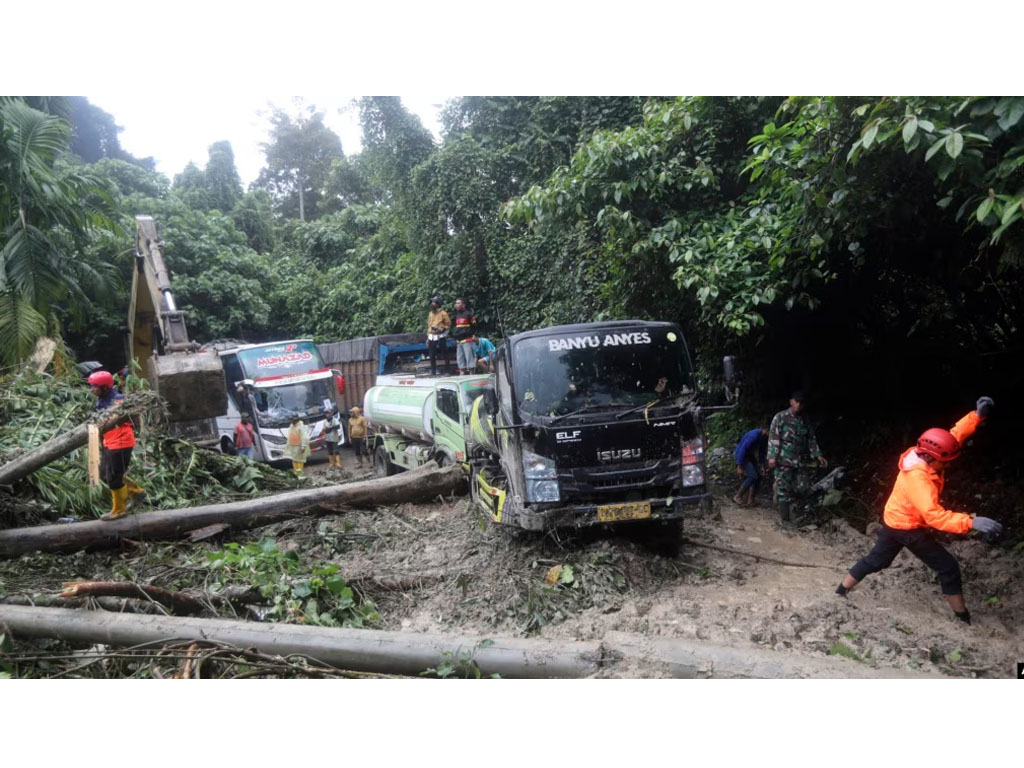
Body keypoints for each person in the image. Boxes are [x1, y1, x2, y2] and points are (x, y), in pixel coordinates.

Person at [836, 397, 1002, 626]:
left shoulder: (926, 453)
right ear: (930, 458)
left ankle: (839, 592)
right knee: (948, 567)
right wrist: (971, 522)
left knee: (877, 561)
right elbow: (934, 515)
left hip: (894, 518)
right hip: (907, 527)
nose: (948, 466)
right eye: (945, 463)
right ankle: (964, 620)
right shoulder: (918, 479)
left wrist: (976, 416)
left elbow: (953, 437)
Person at [88, 370, 145, 521]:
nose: (91, 390)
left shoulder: (118, 401)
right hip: (109, 442)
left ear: (105, 387)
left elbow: (131, 418)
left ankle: (119, 510)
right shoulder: (101, 400)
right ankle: (135, 491)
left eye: (94, 387)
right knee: (105, 474)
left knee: (114, 477)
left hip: (121, 442)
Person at [767, 391, 827, 525]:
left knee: (802, 487)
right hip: (783, 460)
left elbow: (810, 438)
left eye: (802, 402)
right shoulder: (780, 417)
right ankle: (785, 520)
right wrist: (772, 457)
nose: (799, 405)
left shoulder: (804, 420)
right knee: (784, 489)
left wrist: (817, 455)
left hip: (799, 461)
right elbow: (774, 437)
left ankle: (793, 509)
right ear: (791, 402)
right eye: (797, 401)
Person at [733, 427, 769, 506]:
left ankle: (751, 499)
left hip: (750, 456)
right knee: (752, 476)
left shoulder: (764, 438)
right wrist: (739, 465)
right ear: (766, 430)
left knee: (758, 476)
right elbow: (743, 449)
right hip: (742, 455)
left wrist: (761, 465)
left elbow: (761, 452)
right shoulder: (754, 435)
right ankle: (738, 496)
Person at [451, 297, 477, 375]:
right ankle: (462, 374)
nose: (457, 305)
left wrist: (470, 334)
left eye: (459, 303)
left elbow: (474, 326)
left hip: (467, 340)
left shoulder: (469, 314)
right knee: (460, 358)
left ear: (463, 304)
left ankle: (472, 374)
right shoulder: (457, 314)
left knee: (469, 358)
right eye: (456, 303)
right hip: (459, 341)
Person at [426, 296, 451, 376]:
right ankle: (433, 372)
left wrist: (441, 329)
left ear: (437, 304)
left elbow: (448, 324)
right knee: (432, 355)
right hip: (431, 336)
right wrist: (427, 337)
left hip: (440, 336)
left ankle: (447, 371)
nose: (432, 304)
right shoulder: (430, 314)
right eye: (432, 302)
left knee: (444, 354)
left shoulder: (443, 313)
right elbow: (429, 325)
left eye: (434, 302)